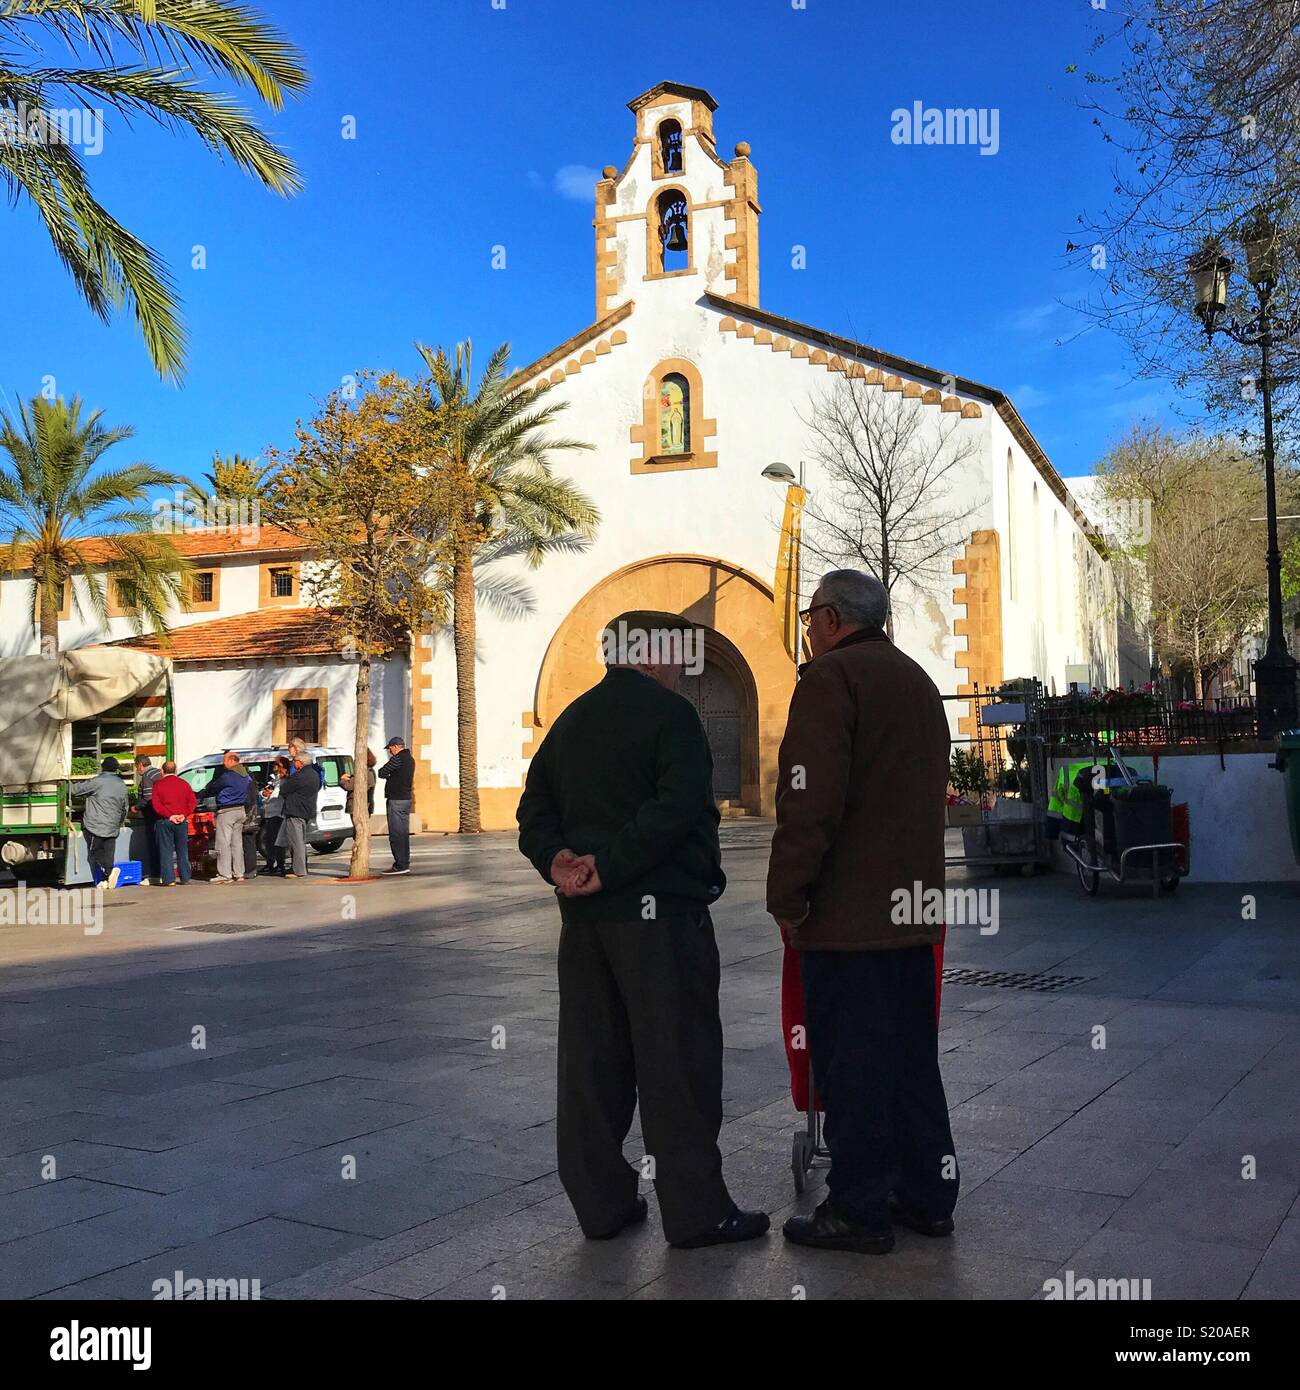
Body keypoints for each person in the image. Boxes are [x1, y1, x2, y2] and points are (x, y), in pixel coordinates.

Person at [517, 609, 769, 1250]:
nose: (688, 669)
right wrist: (614, 866)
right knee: (676, 1062)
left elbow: (533, 809)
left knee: (591, 1066)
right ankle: (696, 1212)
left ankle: (602, 1206)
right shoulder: (671, 717)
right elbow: (678, 807)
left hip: (586, 926)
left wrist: (560, 862)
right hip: (659, 923)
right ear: (653, 653)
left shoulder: (571, 720)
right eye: (682, 653)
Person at [767, 570, 957, 1255]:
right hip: (914, 909)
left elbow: (808, 801)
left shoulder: (829, 680)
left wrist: (788, 896)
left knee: (853, 1065)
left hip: (850, 917)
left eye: (812, 615)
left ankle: (857, 1208)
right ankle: (929, 1195)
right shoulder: (915, 681)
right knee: (911, 1060)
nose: (808, 628)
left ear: (834, 618)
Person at [70, 756, 129, 888]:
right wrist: (119, 822)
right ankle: (106, 879)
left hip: (95, 824)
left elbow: (74, 790)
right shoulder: (121, 784)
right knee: (109, 852)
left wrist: (62, 782)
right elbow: (125, 807)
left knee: (95, 852)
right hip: (113, 825)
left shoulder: (97, 781)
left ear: (103, 767)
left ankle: (109, 871)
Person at [205, 750, 250, 884]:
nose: (223, 763)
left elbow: (214, 787)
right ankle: (239, 873)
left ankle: (225, 874)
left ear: (231, 761)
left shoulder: (228, 776)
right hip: (240, 810)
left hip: (227, 811)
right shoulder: (245, 775)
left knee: (223, 843)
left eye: (224, 760)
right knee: (237, 844)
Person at [151, 761, 196, 886]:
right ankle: (185, 877)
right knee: (182, 850)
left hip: (165, 821)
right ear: (175, 770)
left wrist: (170, 815)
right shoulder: (184, 784)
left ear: (162, 771)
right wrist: (183, 815)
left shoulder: (158, 785)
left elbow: (156, 805)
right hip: (182, 821)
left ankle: (169, 879)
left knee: (166, 851)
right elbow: (192, 802)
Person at [376, 736, 414, 875]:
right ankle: (405, 862)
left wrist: (390, 775)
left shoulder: (398, 759)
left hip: (396, 799)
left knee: (396, 833)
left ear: (395, 747)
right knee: (404, 834)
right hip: (406, 799)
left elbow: (381, 772)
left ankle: (400, 865)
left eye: (390, 749)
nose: (389, 752)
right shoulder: (410, 759)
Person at [281, 750, 320, 878]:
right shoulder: (314, 774)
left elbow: (284, 789)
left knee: (296, 842)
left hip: (295, 810)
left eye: (294, 761)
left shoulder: (299, 776)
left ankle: (298, 870)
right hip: (307, 810)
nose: (293, 763)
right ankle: (301, 867)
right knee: (300, 841)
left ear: (300, 763)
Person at [134, 755, 163, 882]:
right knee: (162, 845)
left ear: (140, 765)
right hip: (162, 814)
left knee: (153, 845)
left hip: (152, 815)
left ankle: (155, 874)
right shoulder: (159, 773)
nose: (136, 770)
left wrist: (136, 807)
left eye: (136, 767)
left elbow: (147, 798)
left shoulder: (147, 776)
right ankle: (163, 872)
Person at [261, 755, 290, 875]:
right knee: (269, 840)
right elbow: (264, 792)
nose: (274, 767)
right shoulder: (274, 779)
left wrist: (270, 794)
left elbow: (278, 794)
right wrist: (264, 793)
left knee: (277, 841)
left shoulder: (285, 780)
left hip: (278, 813)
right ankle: (270, 862)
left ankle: (280, 863)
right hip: (269, 812)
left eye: (276, 765)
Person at [241, 767, 263, 879]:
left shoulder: (247, 782)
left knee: (248, 843)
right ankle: (250, 869)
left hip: (248, 817)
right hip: (253, 816)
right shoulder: (251, 781)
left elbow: (248, 801)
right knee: (249, 843)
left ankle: (250, 869)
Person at [341, 749, 377, 818]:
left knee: (358, 827)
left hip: (357, 805)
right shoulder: (371, 771)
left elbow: (349, 786)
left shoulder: (361, 771)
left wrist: (342, 779)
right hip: (367, 805)